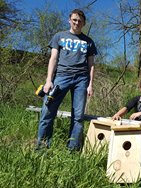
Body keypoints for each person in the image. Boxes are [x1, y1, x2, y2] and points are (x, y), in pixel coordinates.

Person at [36, 9, 97, 150]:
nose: (77, 23)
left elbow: (91, 65)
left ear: (84, 23)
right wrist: (48, 80)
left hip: (81, 79)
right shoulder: (59, 36)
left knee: (78, 117)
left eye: (80, 21)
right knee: (47, 111)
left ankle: (73, 149)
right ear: (69, 20)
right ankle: (42, 148)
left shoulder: (89, 42)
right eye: (74, 20)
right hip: (61, 77)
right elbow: (53, 58)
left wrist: (90, 84)